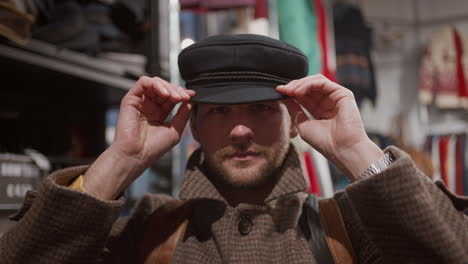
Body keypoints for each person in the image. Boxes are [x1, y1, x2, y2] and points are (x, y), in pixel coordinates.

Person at [1, 34, 467, 264]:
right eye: (221, 112)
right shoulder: (148, 229)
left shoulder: (350, 227)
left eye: (262, 108)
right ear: (193, 124)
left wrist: (356, 149)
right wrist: (120, 160)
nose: (241, 130)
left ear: (292, 120)